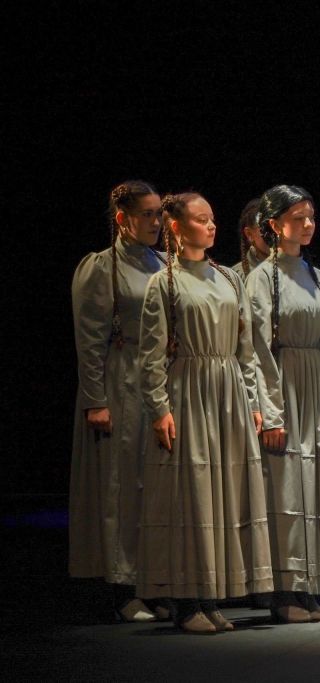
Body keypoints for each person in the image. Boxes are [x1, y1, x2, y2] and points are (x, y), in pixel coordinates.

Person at [136, 192, 274, 634]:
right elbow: (151, 355)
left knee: (222, 493)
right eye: (201, 220)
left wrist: (253, 401)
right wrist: (159, 408)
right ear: (177, 227)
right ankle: (186, 601)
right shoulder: (164, 282)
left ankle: (212, 596)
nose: (211, 226)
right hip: (189, 389)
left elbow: (246, 348)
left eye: (212, 219)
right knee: (192, 494)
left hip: (227, 391)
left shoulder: (229, 279)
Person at [246, 185, 320, 623]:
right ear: (275, 225)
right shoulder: (261, 279)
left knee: (319, 486)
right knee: (289, 488)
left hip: (318, 390)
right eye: (298, 218)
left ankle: (312, 586)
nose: (308, 225)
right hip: (286, 387)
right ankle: (285, 591)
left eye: (311, 217)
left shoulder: (317, 275)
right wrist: (271, 412)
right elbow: (258, 350)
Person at [70, 180, 168, 622]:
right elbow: (89, 339)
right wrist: (95, 399)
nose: (156, 221)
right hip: (122, 380)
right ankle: (125, 588)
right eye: (146, 214)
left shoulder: (164, 263)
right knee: (123, 482)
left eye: (158, 213)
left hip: (159, 380)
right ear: (122, 218)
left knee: (157, 484)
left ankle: (156, 581)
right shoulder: (102, 267)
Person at [232, 197, 270, 279]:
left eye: (277, 226)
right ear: (249, 234)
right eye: (266, 228)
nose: (274, 234)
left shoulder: (295, 269)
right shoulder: (236, 276)